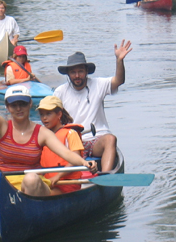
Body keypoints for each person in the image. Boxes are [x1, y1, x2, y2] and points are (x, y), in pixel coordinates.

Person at [0, 82, 97, 198]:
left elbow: (66, 153)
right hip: (7, 180)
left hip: (33, 183)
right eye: (14, 105)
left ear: (30, 104)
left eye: (22, 104)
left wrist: (84, 163)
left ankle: (28, 210)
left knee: (31, 179)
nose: (19, 108)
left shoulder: (42, 133)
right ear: (8, 107)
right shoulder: (1, 127)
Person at [53, 42, 133, 172]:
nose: (77, 76)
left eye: (80, 71)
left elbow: (119, 80)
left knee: (111, 139)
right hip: (72, 142)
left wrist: (119, 61)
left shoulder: (98, 84)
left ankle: (105, 177)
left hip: (96, 140)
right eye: (73, 72)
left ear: (86, 72)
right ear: (68, 74)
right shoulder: (60, 92)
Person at [36, 96, 86, 194]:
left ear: (59, 114)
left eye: (48, 114)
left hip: (66, 185)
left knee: (42, 195)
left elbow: (76, 159)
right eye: (42, 115)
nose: (44, 118)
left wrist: (58, 176)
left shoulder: (70, 133)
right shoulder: (42, 136)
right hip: (48, 182)